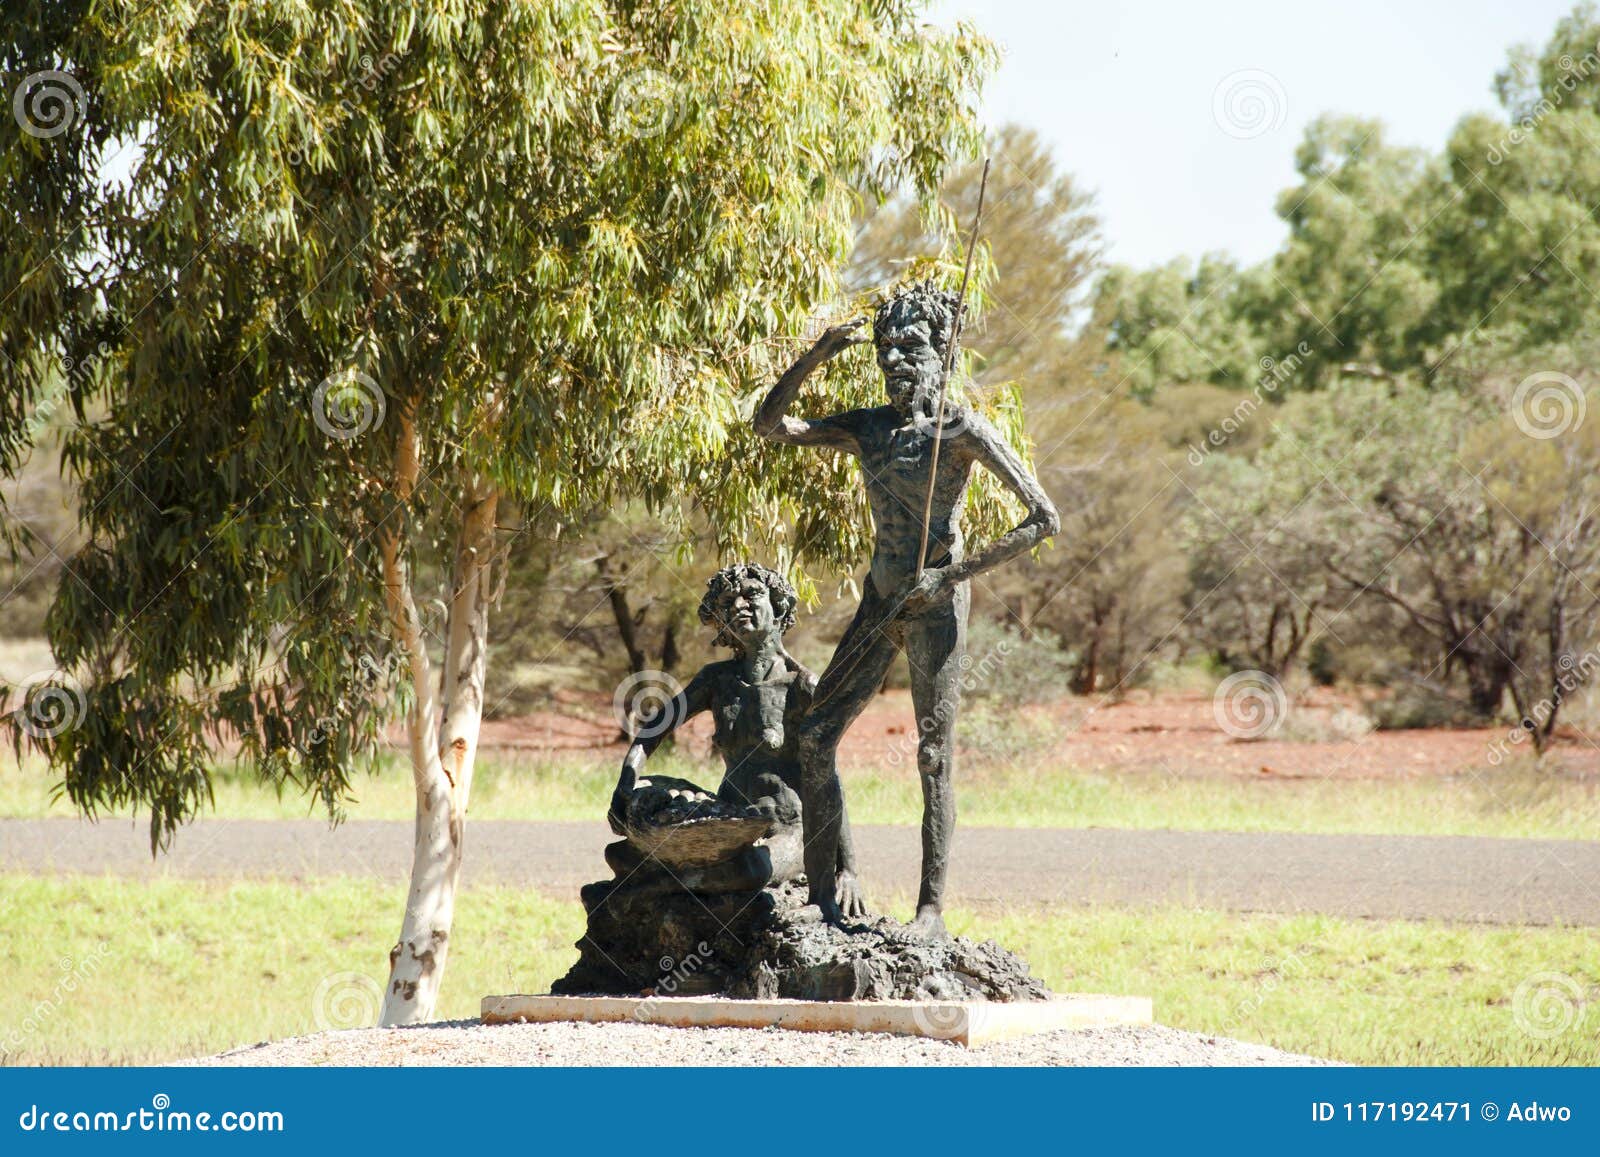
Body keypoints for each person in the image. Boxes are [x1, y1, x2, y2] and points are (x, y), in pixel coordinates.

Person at [754, 282, 1060, 936]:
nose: (895, 360)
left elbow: (1043, 518)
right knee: (813, 735)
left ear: (940, 354)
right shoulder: (867, 426)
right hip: (880, 598)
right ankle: (825, 900)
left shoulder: (963, 429)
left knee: (932, 755)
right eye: (885, 349)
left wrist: (951, 574)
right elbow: (769, 425)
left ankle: (929, 911)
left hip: (935, 607)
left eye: (910, 347)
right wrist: (818, 353)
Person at [608, 563, 866, 913]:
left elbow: (829, 780)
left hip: (789, 830)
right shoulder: (716, 680)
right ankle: (661, 871)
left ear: (779, 607)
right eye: (728, 602)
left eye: (752, 595)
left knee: (749, 869)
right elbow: (654, 728)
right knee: (635, 823)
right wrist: (626, 781)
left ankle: (655, 886)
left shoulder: (803, 687)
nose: (738, 606)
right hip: (727, 819)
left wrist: (847, 869)